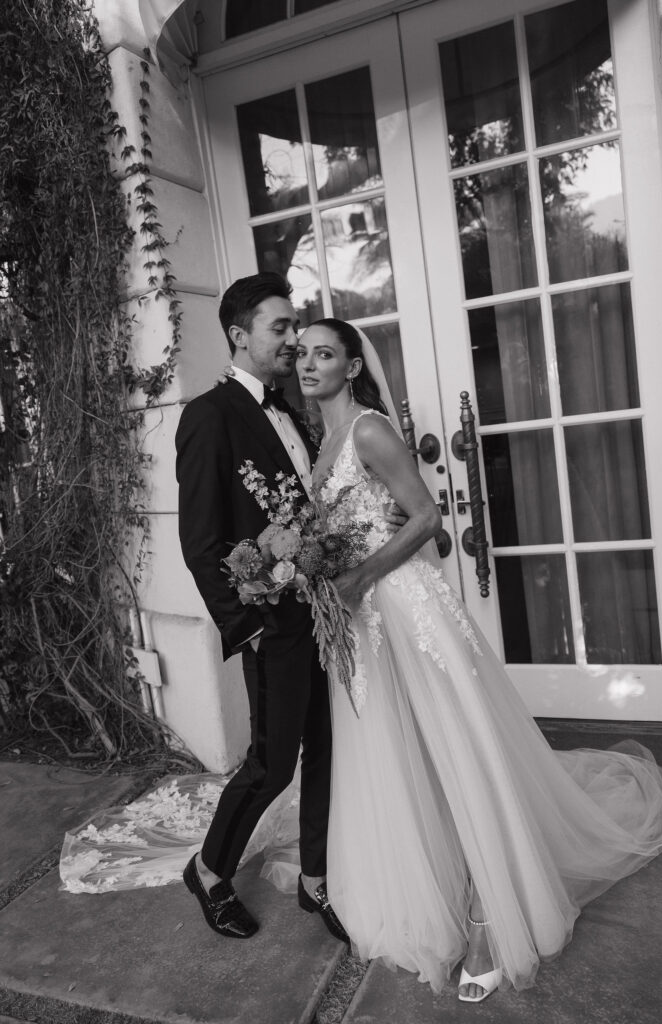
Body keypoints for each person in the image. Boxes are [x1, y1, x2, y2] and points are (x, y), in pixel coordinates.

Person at [294, 317, 662, 1001]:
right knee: (400, 757)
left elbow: (425, 518)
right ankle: (426, 887)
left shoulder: (368, 429)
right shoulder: (320, 439)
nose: (307, 364)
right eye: (300, 353)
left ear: (352, 368)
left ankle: (489, 919)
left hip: (405, 611)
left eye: (323, 354)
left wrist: (356, 577)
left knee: (458, 757)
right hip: (361, 626)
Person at [174, 273, 346, 942]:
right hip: (268, 621)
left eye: (294, 326)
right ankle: (210, 870)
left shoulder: (293, 406)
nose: (293, 339)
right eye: (280, 328)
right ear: (240, 336)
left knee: (328, 748)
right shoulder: (208, 416)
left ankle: (315, 879)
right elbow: (200, 540)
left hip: (323, 610)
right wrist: (245, 625)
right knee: (271, 764)